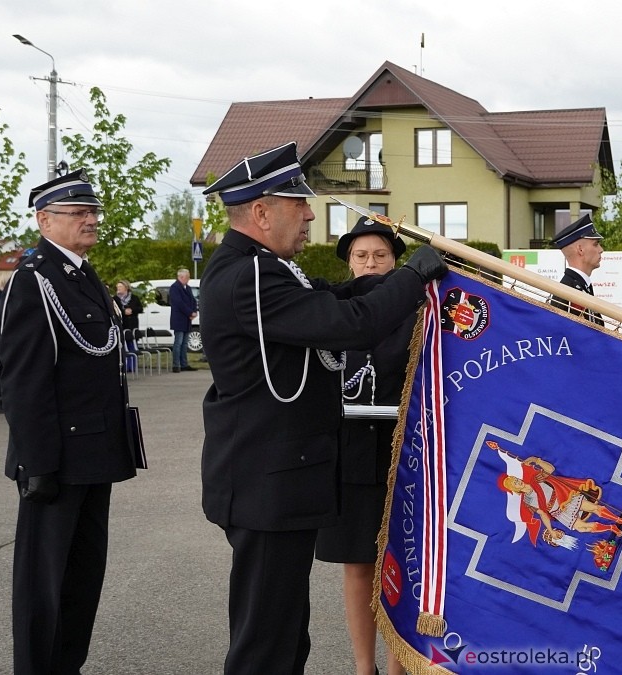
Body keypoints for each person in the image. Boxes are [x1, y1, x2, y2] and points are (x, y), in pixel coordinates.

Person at [198, 142, 448, 674]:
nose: (311, 214)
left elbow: (335, 297)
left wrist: (393, 276)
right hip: (266, 480)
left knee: (285, 636)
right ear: (262, 212)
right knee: (265, 644)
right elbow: (348, 324)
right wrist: (414, 275)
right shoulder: (253, 276)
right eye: (299, 204)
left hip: (275, 477)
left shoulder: (261, 268)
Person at [0, 170, 139, 674]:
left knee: (82, 578)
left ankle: (66, 666)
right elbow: (24, 379)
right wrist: (37, 463)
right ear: (44, 220)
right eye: (77, 213)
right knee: (43, 586)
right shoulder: (34, 279)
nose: (90, 220)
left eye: (92, 212)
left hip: (94, 454)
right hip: (55, 461)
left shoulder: (82, 274)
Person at [313, 215, 414, 675]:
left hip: (407, 454)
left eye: (380, 255)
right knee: (356, 565)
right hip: (350, 452)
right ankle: (362, 666)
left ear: (395, 261)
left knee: (402, 566)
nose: (371, 263)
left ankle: (397, 665)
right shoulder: (330, 310)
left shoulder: (420, 311)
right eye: (361, 256)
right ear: (349, 263)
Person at [550, 213, 604, 325]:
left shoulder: (580, 286)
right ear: (580, 249)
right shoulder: (569, 292)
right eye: (596, 244)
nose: (601, 249)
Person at [169, 268, 198, 372]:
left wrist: (194, 311)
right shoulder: (175, 288)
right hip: (179, 319)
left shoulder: (188, 288)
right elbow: (179, 303)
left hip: (187, 319)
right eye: (187, 277)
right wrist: (190, 312)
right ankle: (176, 365)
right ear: (181, 277)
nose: (188, 279)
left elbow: (193, 301)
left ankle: (184, 363)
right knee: (178, 342)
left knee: (185, 343)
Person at [114, 281, 143, 370]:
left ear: (126, 288)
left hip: (132, 324)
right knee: (123, 345)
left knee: (132, 345)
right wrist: (123, 312)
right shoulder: (115, 299)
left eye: (120, 287)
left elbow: (140, 308)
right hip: (123, 324)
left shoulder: (134, 298)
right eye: (117, 287)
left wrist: (132, 310)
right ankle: (124, 366)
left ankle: (132, 366)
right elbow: (114, 310)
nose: (118, 289)